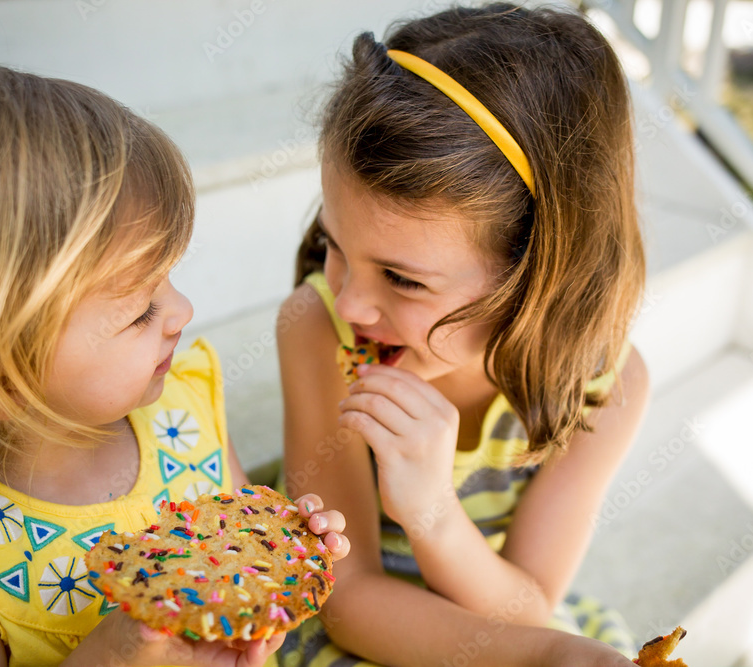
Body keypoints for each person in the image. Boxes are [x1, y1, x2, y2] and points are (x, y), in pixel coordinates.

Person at [0, 62, 350, 667]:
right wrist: (113, 654)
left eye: (168, 281)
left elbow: (233, 582)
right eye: (141, 310)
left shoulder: (185, 410)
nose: (183, 311)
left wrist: (267, 576)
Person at [275, 4, 650, 666]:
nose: (350, 301)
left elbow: (527, 606)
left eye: (403, 279)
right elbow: (346, 595)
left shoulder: (604, 386)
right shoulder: (316, 328)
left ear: (542, 274)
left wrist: (432, 512)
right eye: (336, 244)